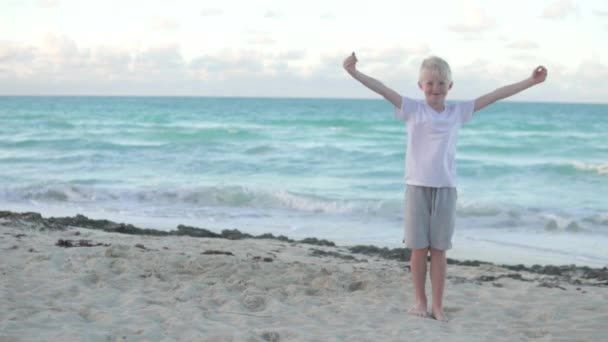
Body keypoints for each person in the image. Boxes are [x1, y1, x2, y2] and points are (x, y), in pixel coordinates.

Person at [343, 52, 547, 322]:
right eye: (429, 83)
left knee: (439, 250)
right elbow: (381, 88)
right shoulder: (412, 109)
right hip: (416, 187)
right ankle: (420, 302)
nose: (435, 89)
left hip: (446, 189)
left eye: (441, 83)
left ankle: (437, 306)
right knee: (418, 249)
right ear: (420, 86)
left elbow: (496, 95)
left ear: (450, 86)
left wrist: (530, 82)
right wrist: (353, 72)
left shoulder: (457, 112)